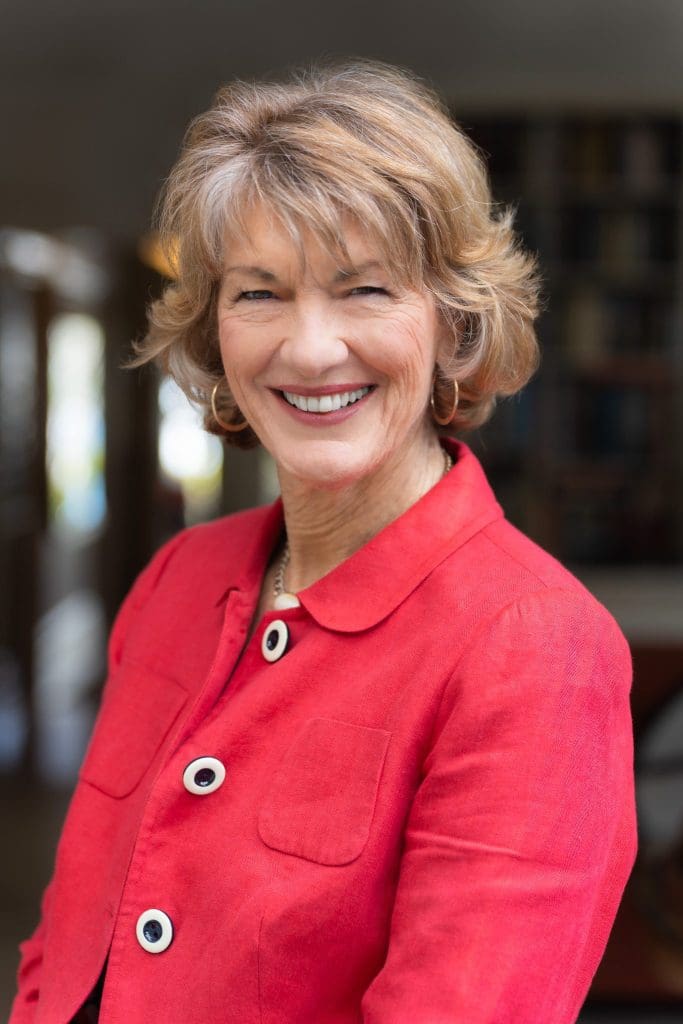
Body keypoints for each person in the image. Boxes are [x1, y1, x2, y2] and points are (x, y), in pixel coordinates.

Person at [11, 59, 637, 1024]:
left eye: (365, 290)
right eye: (259, 293)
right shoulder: (180, 577)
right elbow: (64, 947)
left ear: (453, 322)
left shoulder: (536, 648)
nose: (308, 350)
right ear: (215, 329)